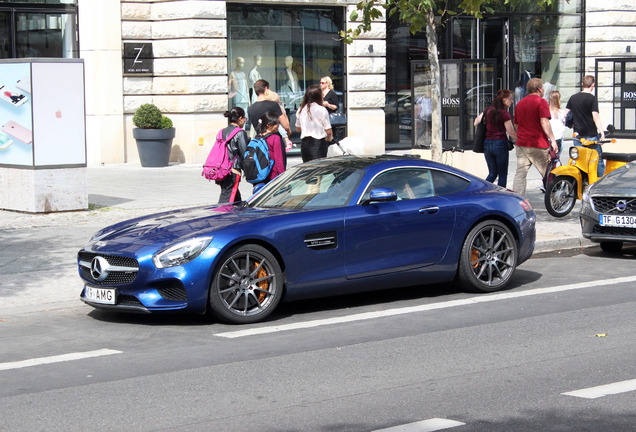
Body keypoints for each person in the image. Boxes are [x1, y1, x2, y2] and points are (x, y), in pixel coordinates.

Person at [512, 78, 558, 196]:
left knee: (520, 174)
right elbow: (544, 122)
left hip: (522, 144)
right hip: (538, 144)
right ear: (539, 89)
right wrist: (553, 140)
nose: (543, 89)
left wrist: (522, 133)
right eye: (542, 87)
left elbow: (516, 123)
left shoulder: (520, 103)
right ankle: (554, 198)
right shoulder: (541, 102)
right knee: (547, 173)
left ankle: (518, 199)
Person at [473, 89, 517, 188]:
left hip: (487, 144)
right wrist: (520, 140)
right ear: (504, 99)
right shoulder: (505, 114)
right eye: (510, 99)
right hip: (500, 144)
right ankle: (500, 195)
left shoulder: (487, 110)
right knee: (502, 174)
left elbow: (476, 122)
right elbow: (511, 132)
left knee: (492, 173)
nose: (512, 101)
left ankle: (482, 190)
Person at [566, 75, 605, 177]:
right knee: (597, 159)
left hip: (578, 135)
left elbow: (566, 115)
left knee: (578, 159)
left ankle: (580, 180)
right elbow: (595, 117)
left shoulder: (573, 98)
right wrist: (602, 133)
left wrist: (573, 124)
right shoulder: (592, 99)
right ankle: (600, 182)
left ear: (582, 84)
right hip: (591, 134)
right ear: (593, 85)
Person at [217, 107, 249, 203]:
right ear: (240, 118)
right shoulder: (240, 133)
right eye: (244, 118)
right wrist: (249, 171)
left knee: (233, 195)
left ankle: (238, 211)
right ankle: (222, 216)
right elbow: (244, 154)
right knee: (227, 198)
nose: (245, 120)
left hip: (221, 169)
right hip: (233, 170)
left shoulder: (222, 132)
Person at [295, 84, 333, 162]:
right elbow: (328, 130)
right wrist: (329, 137)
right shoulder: (321, 109)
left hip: (305, 143)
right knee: (319, 168)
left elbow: (298, 129)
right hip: (318, 143)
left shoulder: (301, 109)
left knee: (307, 167)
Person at [254, 111, 285, 190]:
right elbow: (279, 160)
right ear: (268, 125)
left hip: (260, 175)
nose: (278, 125)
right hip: (273, 175)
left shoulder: (258, 137)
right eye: (276, 123)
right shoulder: (275, 138)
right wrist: (283, 177)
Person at [263, 88, 292, 167]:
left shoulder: (272, 109)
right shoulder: (278, 108)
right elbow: (285, 123)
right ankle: (286, 139)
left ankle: (286, 139)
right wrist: (288, 132)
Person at [549, 90, 567, 156]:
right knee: (556, 158)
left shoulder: (547, 112)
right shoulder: (562, 112)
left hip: (549, 138)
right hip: (559, 138)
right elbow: (565, 122)